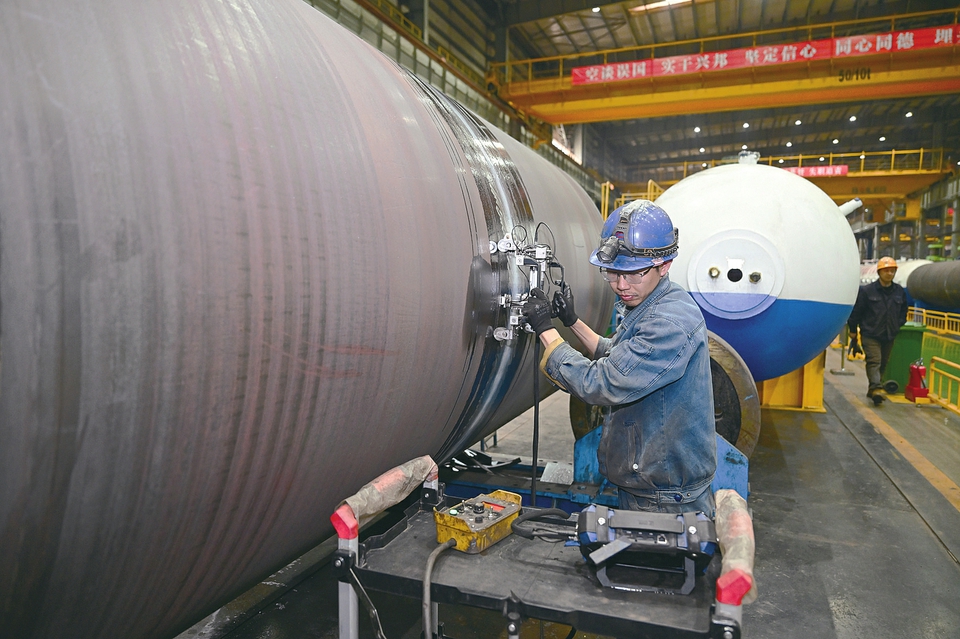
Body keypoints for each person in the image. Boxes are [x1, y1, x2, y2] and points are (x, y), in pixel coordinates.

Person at [522, 200, 716, 515]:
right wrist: (571, 321)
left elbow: (602, 383)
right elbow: (618, 356)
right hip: (652, 485)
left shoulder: (668, 322)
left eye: (634, 274)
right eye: (612, 273)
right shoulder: (654, 303)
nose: (621, 285)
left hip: (663, 499)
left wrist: (545, 330)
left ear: (664, 265)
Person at [847, 256, 909, 405]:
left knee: (883, 363)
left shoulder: (899, 291)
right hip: (871, 333)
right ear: (879, 272)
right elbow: (857, 312)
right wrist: (853, 330)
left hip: (889, 334)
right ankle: (876, 388)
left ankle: (873, 388)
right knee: (874, 360)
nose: (889, 273)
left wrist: (897, 325)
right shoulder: (867, 291)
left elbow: (903, 311)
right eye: (886, 271)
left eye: (892, 271)